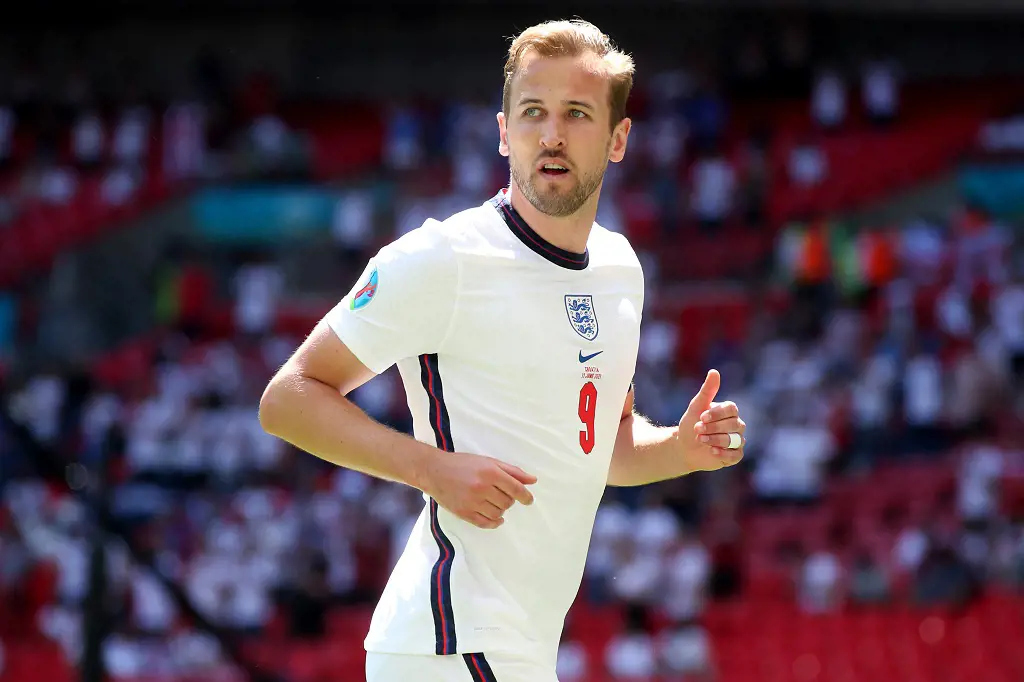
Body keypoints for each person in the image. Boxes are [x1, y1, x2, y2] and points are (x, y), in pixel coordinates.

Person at [258, 19, 747, 682]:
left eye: (576, 114)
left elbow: (591, 453)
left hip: (515, 647)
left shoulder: (620, 270)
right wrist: (429, 469)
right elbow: (287, 399)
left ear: (618, 138)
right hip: (449, 640)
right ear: (502, 131)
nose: (551, 135)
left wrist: (680, 451)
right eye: (533, 113)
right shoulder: (443, 258)